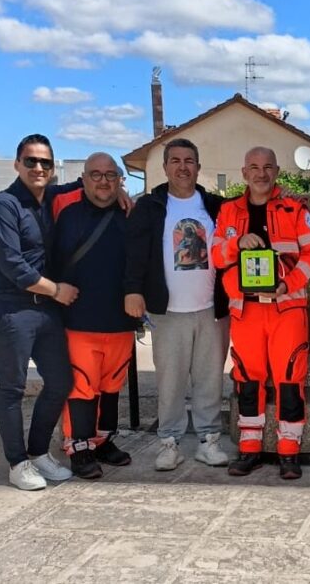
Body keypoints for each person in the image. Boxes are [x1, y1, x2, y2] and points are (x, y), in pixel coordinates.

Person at [124, 138, 231, 471]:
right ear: (165, 167)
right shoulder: (150, 207)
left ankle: (208, 441)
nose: (183, 167)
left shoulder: (216, 206)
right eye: (175, 161)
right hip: (167, 311)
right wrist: (133, 290)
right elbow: (135, 253)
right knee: (170, 382)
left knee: (210, 379)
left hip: (211, 309)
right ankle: (169, 443)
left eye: (189, 161)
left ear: (198, 167)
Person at [212, 147, 310, 480]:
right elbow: (216, 256)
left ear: (277, 171)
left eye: (268, 167)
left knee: (290, 378)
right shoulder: (227, 211)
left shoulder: (295, 208)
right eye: (254, 167)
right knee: (247, 379)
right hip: (246, 309)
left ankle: (289, 451)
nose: (261, 173)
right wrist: (236, 243)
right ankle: (249, 448)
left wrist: (288, 284)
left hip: (287, 307)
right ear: (244, 173)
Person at [0, 134, 77, 491]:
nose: (38, 167)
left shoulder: (48, 198)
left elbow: (82, 185)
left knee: (60, 382)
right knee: (12, 387)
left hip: (46, 311)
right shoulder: (4, 205)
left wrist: (121, 193)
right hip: (11, 310)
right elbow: (13, 265)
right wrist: (57, 290)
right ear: (17, 164)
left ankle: (38, 453)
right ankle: (17, 462)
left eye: (45, 162)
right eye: (31, 161)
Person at [52, 153, 139, 479]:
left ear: (120, 180)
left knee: (111, 384)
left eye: (110, 176)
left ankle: (102, 441)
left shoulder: (130, 215)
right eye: (96, 175)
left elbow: (140, 262)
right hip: (78, 320)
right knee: (82, 387)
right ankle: (79, 447)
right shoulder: (67, 214)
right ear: (84, 179)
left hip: (120, 320)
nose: (103, 181)